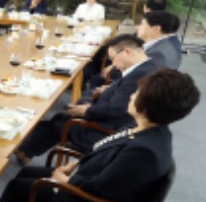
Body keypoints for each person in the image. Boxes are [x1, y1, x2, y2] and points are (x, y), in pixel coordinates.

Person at [0, 69, 200, 202]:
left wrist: (65, 181)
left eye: (137, 93)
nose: (132, 96)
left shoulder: (145, 152)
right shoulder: (150, 129)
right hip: (89, 180)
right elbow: (105, 149)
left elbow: (102, 189)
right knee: (26, 174)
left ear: (147, 105)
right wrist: (74, 165)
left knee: (18, 187)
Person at [15, 35, 157, 164]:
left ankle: (22, 148)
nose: (113, 64)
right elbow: (123, 98)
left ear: (127, 52)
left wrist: (87, 111)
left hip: (106, 130)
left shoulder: (138, 75)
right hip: (115, 121)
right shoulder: (147, 67)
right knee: (60, 116)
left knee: (59, 123)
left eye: (113, 59)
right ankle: (25, 150)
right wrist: (108, 89)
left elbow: (115, 110)